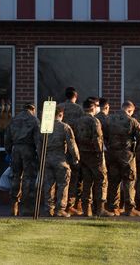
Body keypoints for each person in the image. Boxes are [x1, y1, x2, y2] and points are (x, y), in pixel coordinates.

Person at [103, 101, 140, 216]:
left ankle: (113, 207)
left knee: (113, 181)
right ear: (130, 110)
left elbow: (104, 135)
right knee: (129, 181)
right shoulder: (131, 121)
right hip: (126, 155)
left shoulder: (109, 119)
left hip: (112, 154)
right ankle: (129, 208)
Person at [73, 99, 114, 217]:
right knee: (101, 180)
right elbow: (98, 140)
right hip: (94, 155)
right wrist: (100, 153)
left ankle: (87, 210)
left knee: (87, 181)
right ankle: (100, 209)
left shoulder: (77, 121)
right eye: (97, 106)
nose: (98, 108)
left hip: (83, 154)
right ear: (93, 108)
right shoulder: (94, 121)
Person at [36, 105, 80, 217]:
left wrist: (42, 158)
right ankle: (60, 209)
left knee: (48, 185)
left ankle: (48, 209)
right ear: (60, 115)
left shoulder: (44, 127)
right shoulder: (64, 127)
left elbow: (39, 145)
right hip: (60, 159)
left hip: (47, 159)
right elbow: (71, 144)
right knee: (63, 184)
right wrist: (76, 157)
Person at [4, 103, 40, 216]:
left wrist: (9, 151)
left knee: (16, 177)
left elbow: (7, 138)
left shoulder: (14, 119)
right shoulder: (34, 120)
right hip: (28, 149)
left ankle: (14, 206)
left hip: (15, 149)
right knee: (28, 178)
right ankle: (27, 208)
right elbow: (38, 140)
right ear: (33, 109)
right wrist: (40, 154)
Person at [60, 87, 85, 216]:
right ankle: (70, 204)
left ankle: (55, 204)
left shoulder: (59, 107)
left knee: (58, 176)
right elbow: (81, 127)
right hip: (74, 144)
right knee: (73, 176)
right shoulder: (79, 109)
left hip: (58, 146)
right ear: (75, 96)